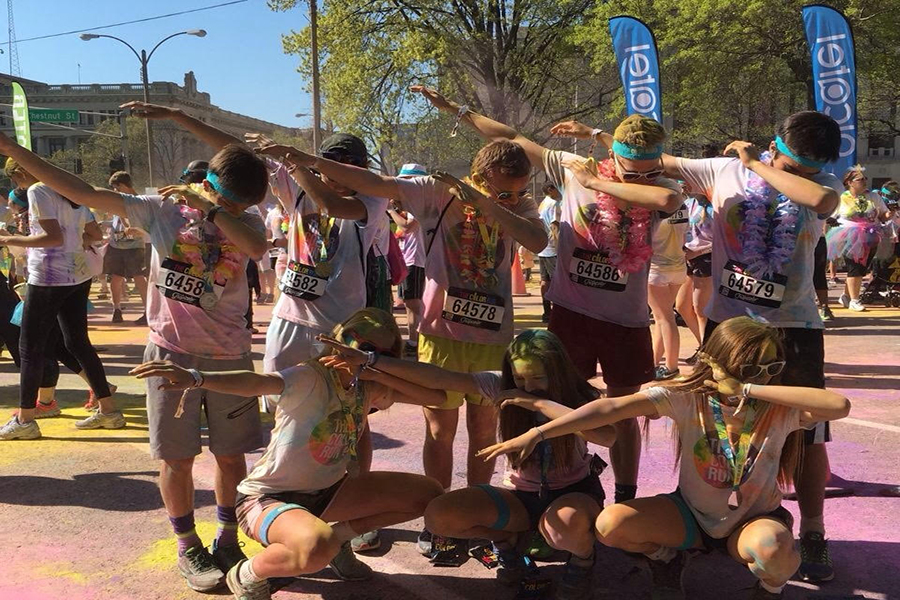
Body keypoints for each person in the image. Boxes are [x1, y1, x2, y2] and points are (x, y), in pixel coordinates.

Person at [0, 107, 270, 591]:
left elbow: (253, 248)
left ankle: (228, 536)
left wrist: (214, 211)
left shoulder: (246, 219)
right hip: (168, 355)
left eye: (238, 205)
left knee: (231, 456)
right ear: (209, 183)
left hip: (230, 356)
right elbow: (83, 192)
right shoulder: (160, 209)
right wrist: (15, 151)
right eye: (226, 201)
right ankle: (189, 547)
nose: (235, 210)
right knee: (176, 458)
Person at [260, 114, 548, 555]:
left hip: (493, 336)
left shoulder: (518, 205)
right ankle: (440, 521)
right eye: (500, 190)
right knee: (440, 430)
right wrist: (301, 159)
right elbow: (373, 181)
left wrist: (490, 203)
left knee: (484, 429)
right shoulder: (436, 192)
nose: (511, 198)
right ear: (478, 175)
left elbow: (533, 239)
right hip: (441, 331)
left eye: (516, 191)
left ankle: (477, 514)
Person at [416, 86, 683, 508]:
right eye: (633, 170)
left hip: (627, 318)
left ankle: (626, 495)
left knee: (623, 410)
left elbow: (666, 197)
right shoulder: (571, 166)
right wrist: (457, 109)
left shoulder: (653, 183)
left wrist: (602, 178)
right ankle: (560, 480)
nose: (642, 179)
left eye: (649, 172)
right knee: (555, 401)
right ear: (614, 155)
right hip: (571, 311)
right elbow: (510, 136)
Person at [479, 317, 851, 599]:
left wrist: (750, 386)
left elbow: (839, 405)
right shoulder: (687, 397)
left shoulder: (777, 406)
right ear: (715, 363)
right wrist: (539, 430)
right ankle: (667, 559)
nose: (764, 378)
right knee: (612, 525)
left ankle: (768, 589)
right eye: (749, 369)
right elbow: (611, 409)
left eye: (771, 369)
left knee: (774, 554)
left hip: (750, 520)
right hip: (688, 516)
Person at [131, 307, 446, 600]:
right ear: (338, 340)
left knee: (428, 494)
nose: (357, 353)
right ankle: (247, 574)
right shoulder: (310, 375)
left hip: (330, 494)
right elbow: (257, 382)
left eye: (374, 352)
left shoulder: (369, 387)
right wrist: (197, 378)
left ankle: (336, 540)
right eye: (354, 342)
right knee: (314, 548)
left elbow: (441, 398)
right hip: (267, 499)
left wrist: (377, 371)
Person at [664, 111, 844, 582]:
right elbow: (658, 160)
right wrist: (600, 142)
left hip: (795, 330)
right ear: (775, 144)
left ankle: (815, 532)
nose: (803, 174)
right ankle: (697, 521)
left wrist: (761, 165)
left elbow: (821, 197)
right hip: (728, 327)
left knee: (809, 436)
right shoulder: (723, 172)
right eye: (795, 164)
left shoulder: (820, 182)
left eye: (809, 167)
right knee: (705, 420)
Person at [325, 328, 615, 599]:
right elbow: (439, 378)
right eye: (520, 379)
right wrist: (369, 360)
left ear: (558, 372)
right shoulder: (500, 386)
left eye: (537, 378)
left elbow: (607, 436)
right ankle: (509, 543)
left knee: (563, 527)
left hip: (573, 494)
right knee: (440, 516)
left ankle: (583, 558)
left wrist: (539, 406)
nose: (527, 387)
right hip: (520, 496)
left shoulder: (581, 396)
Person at [0, 157, 122, 440]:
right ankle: (108, 410)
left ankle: (25, 419)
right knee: (77, 341)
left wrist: (8, 240)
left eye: (15, 180)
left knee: (30, 347)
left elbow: (51, 238)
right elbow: (94, 235)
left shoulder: (37, 191)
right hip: (78, 274)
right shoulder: (70, 188)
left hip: (48, 276)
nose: (18, 186)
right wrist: (72, 242)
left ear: (20, 173)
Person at [827, 165, 890, 312]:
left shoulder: (873, 196)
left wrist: (890, 212)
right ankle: (854, 300)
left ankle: (846, 295)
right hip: (849, 236)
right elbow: (830, 215)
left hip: (871, 234)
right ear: (850, 182)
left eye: (865, 179)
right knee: (855, 267)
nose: (864, 182)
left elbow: (883, 215)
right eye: (860, 179)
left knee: (861, 268)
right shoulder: (841, 198)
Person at [389, 163, 428, 355]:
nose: (402, 186)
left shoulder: (419, 202)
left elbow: (406, 226)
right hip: (407, 258)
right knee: (409, 302)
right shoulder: (409, 203)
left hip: (415, 259)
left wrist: (390, 210)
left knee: (414, 302)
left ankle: (417, 341)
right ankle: (414, 340)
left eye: (407, 181)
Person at [648, 201, 690, 380]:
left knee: (665, 318)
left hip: (656, 269)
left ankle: (671, 367)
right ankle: (654, 363)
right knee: (662, 319)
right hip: (678, 267)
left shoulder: (651, 210)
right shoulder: (683, 206)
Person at [106, 171, 149, 325]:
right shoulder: (119, 201)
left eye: (116, 189)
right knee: (116, 278)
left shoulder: (138, 201)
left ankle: (147, 311)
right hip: (116, 245)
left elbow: (134, 225)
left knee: (139, 278)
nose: (115, 192)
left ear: (123, 186)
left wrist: (124, 219)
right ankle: (116, 309)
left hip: (135, 247)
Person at [680, 186, 714, 349]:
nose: (683, 184)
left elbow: (723, 241)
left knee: (701, 311)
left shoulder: (715, 206)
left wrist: (699, 251)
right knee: (681, 306)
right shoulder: (687, 202)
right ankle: (703, 346)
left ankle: (707, 353)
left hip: (707, 259)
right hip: (687, 257)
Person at [537, 183, 562, 322]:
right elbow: (554, 226)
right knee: (556, 282)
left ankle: (547, 311)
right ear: (550, 189)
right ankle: (557, 312)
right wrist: (559, 247)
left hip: (542, 248)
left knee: (544, 281)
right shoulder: (554, 204)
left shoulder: (542, 204)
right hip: (552, 248)